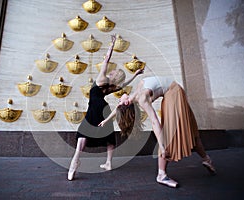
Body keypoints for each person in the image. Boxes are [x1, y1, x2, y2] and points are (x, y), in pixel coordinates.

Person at [99, 75, 216, 187]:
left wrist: (106, 120)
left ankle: (206, 159)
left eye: (118, 101)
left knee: (190, 131)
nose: (119, 99)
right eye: (119, 101)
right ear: (126, 103)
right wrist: (162, 145)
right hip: (173, 93)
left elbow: (119, 109)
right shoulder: (141, 98)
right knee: (171, 135)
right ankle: (162, 175)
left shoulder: (135, 93)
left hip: (174, 93)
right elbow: (154, 121)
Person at [68, 34, 143, 181]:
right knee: (108, 136)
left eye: (114, 71)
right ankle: (108, 163)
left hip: (94, 110)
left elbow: (106, 59)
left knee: (83, 135)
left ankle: (75, 162)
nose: (112, 70)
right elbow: (125, 84)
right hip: (104, 110)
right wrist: (135, 74)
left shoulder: (102, 79)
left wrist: (112, 45)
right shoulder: (110, 87)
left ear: (114, 76)